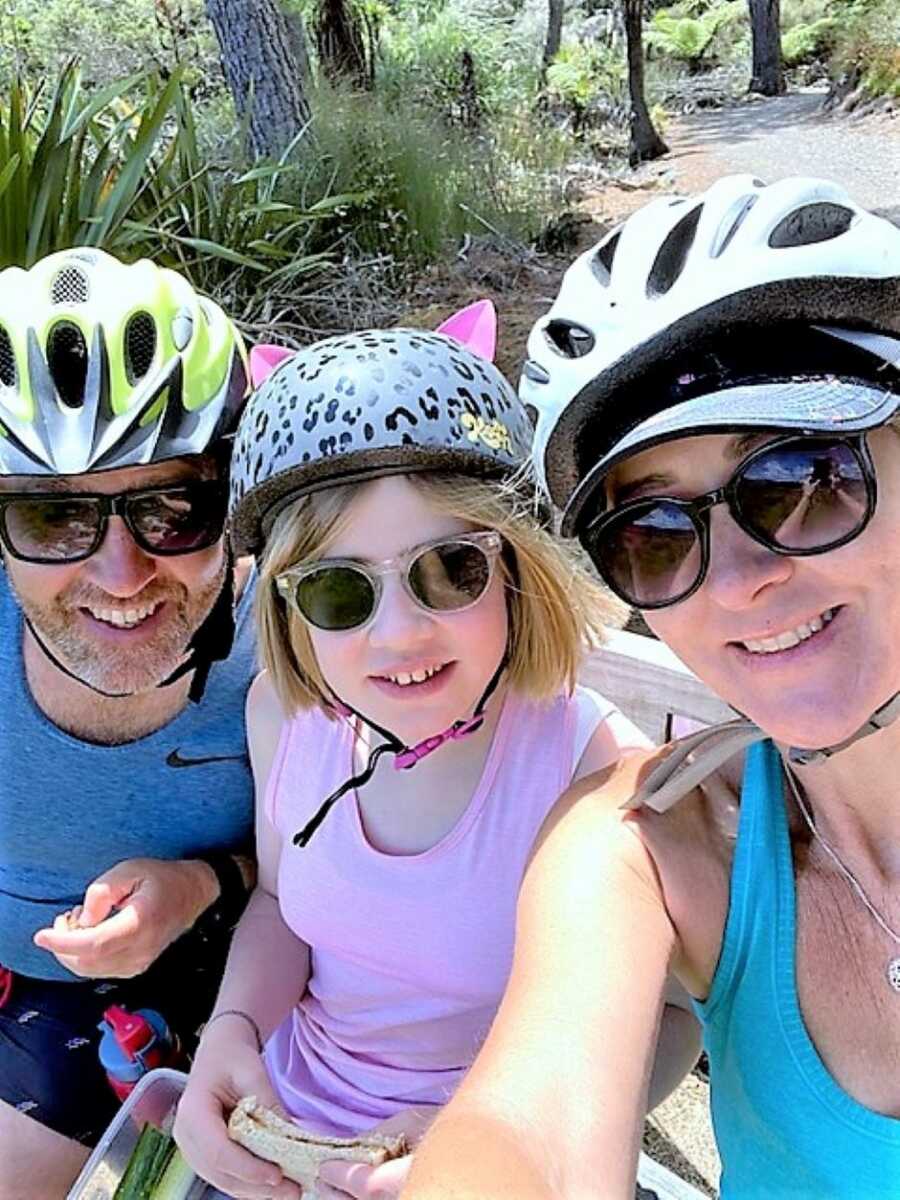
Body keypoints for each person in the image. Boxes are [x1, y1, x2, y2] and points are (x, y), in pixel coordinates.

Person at [400, 174, 900, 1200]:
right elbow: (524, 1129)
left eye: (802, 480)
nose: (736, 579)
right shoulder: (646, 843)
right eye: (654, 535)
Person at [172, 319, 701, 1200]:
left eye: (451, 569)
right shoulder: (286, 718)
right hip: (283, 1126)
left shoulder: (594, 773)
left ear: (519, 570)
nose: (399, 633)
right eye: (340, 589)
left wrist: (507, 1136)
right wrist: (231, 1030)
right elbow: (279, 903)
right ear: (289, 609)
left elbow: (675, 1019)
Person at [0, 248, 259, 1199]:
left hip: (238, 987)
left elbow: (369, 851)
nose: (120, 577)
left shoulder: (306, 641)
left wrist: (201, 883)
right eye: (52, 519)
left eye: (173, 506)